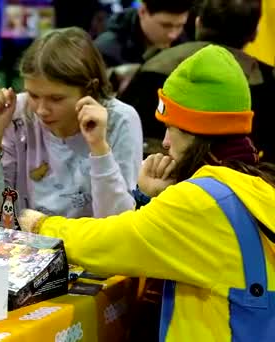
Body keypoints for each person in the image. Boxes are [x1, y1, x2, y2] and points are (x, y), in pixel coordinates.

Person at [19, 45, 275, 341]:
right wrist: (153, 199)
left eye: (171, 128)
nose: (165, 142)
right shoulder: (255, 180)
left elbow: (108, 243)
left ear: (196, 132)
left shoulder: (202, 201)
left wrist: (40, 225)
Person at [0, 27, 143, 220]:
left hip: (88, 244)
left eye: (56, 98)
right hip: (29, 243)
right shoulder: (18, 110)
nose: (42, 110)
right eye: (34, 95)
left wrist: (99, 148)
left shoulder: (121, 119)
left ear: (90, 89)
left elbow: (117, 220)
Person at [120, 0, 274, 163]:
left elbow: (125, 133)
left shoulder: (155, 64)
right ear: (255, 33)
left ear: (198, 22)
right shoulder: (266, 80)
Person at [94, 0, 193, 68]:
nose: (173, 35)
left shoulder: (186, 43)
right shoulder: (106, 51)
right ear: (143, 11)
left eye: (180, 26)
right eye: (166, 26)